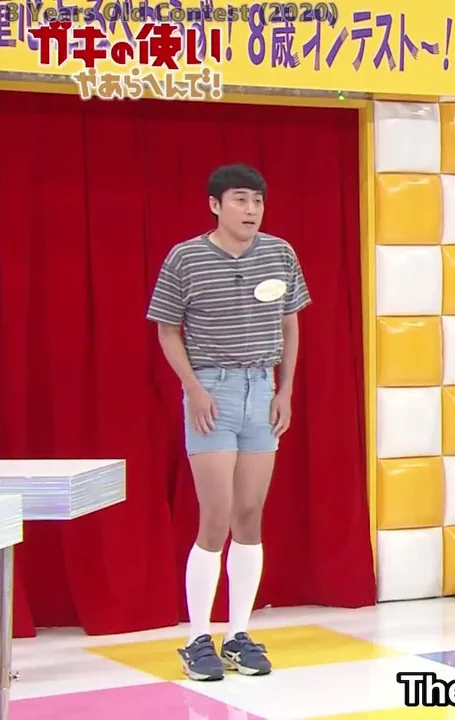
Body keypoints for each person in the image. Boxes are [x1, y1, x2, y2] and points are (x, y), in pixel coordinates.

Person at [146, 164, 312, 681]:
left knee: (250, 514)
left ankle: (238, 634)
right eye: (240, 200)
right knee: (214, 516)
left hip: (262, 389)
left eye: (258, 200)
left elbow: (290, 324)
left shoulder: (280, 253)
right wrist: (193, 388)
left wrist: (285, 389)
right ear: (215, 205)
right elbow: (167, 330)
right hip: (212, 391)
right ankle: (197, 638)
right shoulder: (186, 257)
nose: (251, 210)